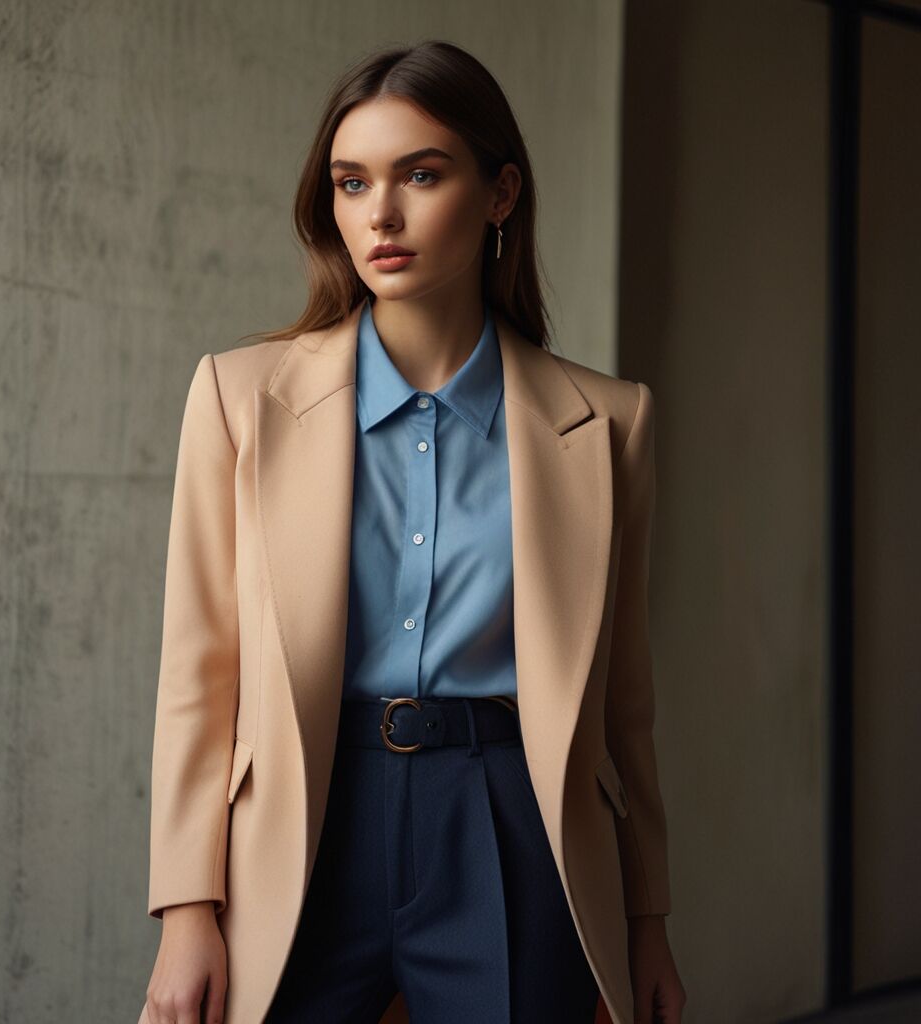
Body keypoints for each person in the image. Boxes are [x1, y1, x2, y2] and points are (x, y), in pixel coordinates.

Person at [139, 39, 685, 1024]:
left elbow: (622, 706)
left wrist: (646, 919)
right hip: (304, 824)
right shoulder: (238, 398)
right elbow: (198, 673)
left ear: (499, 193)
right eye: (351, 183)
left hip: (508, 828)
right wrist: (188, 905)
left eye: (420, 175)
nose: (378, 216)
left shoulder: (607, 424)